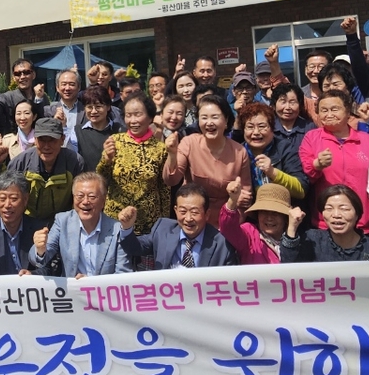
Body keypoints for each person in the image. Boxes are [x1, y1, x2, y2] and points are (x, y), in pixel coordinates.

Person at [163, 96, 251, 228]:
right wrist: (172, 154)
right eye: (204, 118)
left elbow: (245, 199)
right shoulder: (189, 143)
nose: (209, 123)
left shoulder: (239, 152)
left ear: (226, 120)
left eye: (215, 117)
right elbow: (171, 179)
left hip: (225, 223)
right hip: (192, 221)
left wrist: (230, 226)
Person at [299, 90, 369, 233]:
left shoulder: (367, 140)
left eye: (335, 109)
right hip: (326, 223)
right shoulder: (312, 138)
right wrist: (317, 165)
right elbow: (306, 176)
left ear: (348, 112)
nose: (329, 114)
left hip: (364, 224)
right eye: (323, 110)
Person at [33, 173, 132, 277]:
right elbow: (40, 259)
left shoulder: (117, 229)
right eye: (80, 196)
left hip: (103, 292)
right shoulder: (62, 221)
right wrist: (40, 249)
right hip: (71, 291)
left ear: (103, 200)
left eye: (92, 196)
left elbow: (124, 274)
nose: (85, 201)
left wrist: (90, 284)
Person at [0, 117, 84, 225]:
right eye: (42, 140)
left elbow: (80, 199)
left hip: (62, 224)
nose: (46, 146)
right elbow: (0, 191)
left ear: (62, 139)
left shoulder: (75, 162)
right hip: (27, 225)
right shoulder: (21, 163)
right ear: (35, 140)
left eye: (52, 140)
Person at [119, 183, 237, 269]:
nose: (188, 218)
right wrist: (127, 227)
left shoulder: (222, 245)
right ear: (175, 210)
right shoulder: (163, 229)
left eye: (195, 212)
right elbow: (134, 247)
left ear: (207, 214)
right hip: (167, 297)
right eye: (183, 211)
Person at [98, 93, 169, 232]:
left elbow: (164, 190)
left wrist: (164, 224)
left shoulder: (160, 148)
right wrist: (107, 160)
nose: (133, 120)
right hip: (115, 219)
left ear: (150, 117)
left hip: (148, 223)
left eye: (138, 114)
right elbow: (101, 179)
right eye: (128, 115)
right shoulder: (115, 141)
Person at [280, 185, 369, 262]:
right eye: (329, 208)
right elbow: (288, 263)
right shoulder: (311, 240)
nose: (336, 214)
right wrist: (292, 228)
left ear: (357, 214)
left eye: (344, 209)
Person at [232, 101, 307, 200]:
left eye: (262, 126)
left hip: (283, 210)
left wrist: (272, 172)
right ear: (243, 130)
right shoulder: (236, 153)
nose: (256, 132)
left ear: (272, 129)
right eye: (250, 127)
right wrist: (235, 197)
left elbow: (301, 190)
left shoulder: (285, 148)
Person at [218, 179, 302, 265]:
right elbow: (229, 228)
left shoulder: (297, 238)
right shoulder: (250, 234)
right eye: (264, 212)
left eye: (275, 213)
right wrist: (233, 200)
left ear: (285, 217)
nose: (269, 218)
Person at [76, 85, 124, 171]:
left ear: (108, 107)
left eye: (98, 106)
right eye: (89, 107)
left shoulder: (120, 131)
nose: (94, 111)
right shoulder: (77, 132)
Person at [0, 59, 49, 136]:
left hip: (38, 141)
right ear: (14, 77)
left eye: (26, 72)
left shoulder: (42, 96)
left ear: (33, 75)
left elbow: (44, 120)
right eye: (17, 74)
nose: (22, 77)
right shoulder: (7, 97)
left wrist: (38, 99)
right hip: (15, 142)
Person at [52, 69, 83, 152]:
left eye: (72, 84)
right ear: (57, 88)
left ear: (79, 87)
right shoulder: (48, 111)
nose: (67, 88)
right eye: (64, 84)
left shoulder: (87, 110)